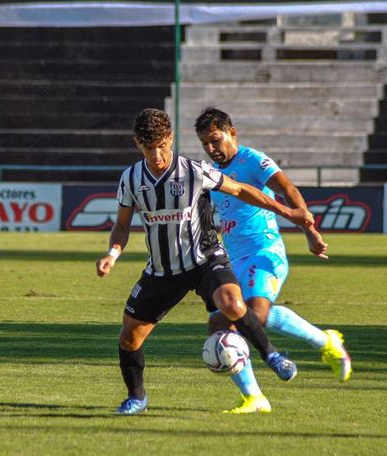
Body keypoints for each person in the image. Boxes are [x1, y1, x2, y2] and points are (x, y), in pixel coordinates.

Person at [96, 108, 314, 415]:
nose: (157, 155)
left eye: (162, 146)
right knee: (129, 337)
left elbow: (241, 190)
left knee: (233, 303)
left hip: (204, 260)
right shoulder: (131, 179)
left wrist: (289, 213)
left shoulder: (193, 171)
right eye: (149, 149)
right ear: (137, 145)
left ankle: (272, 356)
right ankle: (137, 397)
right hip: (163, 270)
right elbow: (121, 225)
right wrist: (112, 254)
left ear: (170, 138)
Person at [194, 107, 352, 414]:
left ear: (232, 132)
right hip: (233, 261)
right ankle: (255, 398)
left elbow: (288, 189)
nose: (212, 149)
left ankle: (326, 341)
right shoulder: (211, 174)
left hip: (264, 251)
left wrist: (310, 231)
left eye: (215, 140)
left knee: (254, 314)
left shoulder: (253, 160)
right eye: (205, 144)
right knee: (218, 325)